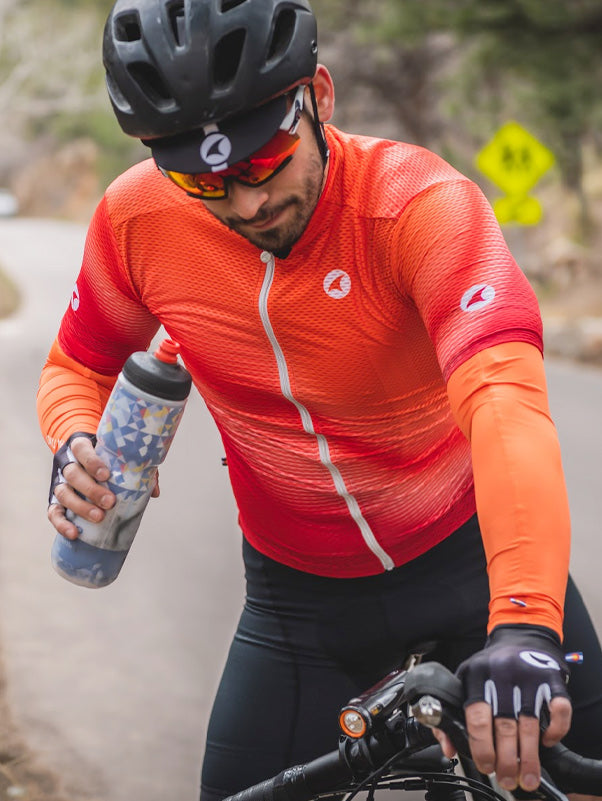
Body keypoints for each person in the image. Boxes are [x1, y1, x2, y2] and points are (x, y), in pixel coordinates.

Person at [37, 0, 602, 799]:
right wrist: (74, 440)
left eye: (264, 160)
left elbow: (505, 400)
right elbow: (76, 366)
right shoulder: (138, 220)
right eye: (202, 179)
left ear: (320, 97)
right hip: (297, 604)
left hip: (469, 564)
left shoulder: (418, 206)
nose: (243, 203)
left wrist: (524, 620)